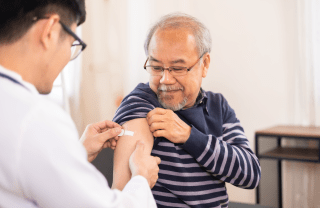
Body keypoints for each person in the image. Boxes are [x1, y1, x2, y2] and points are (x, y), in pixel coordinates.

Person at [0, 0, 161, 207]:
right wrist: (141, 179)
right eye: (72, 44)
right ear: (49, 30)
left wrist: (77, 151)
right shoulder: (35, 119)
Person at [112, 13, 261, 208]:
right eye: (156, 67)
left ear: (204, 64)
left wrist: (189, 137)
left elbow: (250, 175)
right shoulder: (141, 103)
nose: (165, 79)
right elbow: (122, 194)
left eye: (178, 68)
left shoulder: (217, 105)